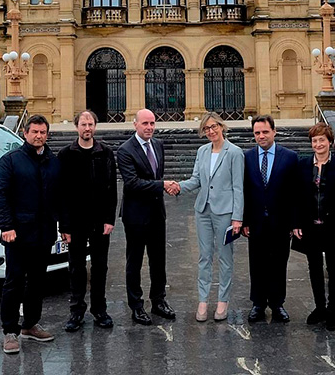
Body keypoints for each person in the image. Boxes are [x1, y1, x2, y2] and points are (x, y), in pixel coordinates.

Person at [0, 114, 60, 351]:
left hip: (44, 233)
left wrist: (64, 227)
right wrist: (6, 226)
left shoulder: (53, 161)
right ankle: (10, 331)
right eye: (35, 132)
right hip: (17, 234)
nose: (39, 136)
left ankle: (30, 324)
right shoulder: (10, 160)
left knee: (38, 282)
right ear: (25, 133)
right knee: (14, 282)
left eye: (43, 132)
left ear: (47, 135)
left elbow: (60, 197)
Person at [169, 112, 245, 322]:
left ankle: (223, 301)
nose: (211, 131)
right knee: (204, 257)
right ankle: (203, 300)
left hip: (225, 212)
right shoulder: (202, 151)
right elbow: (196, 180)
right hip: (203, 210)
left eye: (214, 127)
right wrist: (178, 187)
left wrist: (237, 218)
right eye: (207, 129)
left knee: (225, 257)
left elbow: (238, 188)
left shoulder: (235, 153)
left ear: (222, 127)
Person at [58, 110, 117, 332]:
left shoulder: (106, 153)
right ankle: (76, 311)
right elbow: (61, 193)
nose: (87, 128)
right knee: (76, 268)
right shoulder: (65, 155)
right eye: (83, 124)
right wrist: (64, 225)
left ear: (95, 126)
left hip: (100, 222)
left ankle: (99, 310)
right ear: (76, 127)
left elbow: (112, 189)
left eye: (90, 124)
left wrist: (110, 219)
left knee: (100, 268)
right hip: (75, 223)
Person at [116, 108, 176, 324]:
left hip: (157, 214)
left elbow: (156, 174)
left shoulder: (158, 145)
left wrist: (161, 186)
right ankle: (136, 305)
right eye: (145, 124)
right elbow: (131, 184)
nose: (149, 127)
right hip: (136, 216)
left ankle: (159, 301)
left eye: (152, 123)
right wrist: (162, 185)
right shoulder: (125, 150)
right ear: (135, 125)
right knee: (134, 261)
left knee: (159, 260)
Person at [293, 123, 335, 331]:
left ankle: (332, 311)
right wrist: (296, 223)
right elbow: (298, 197)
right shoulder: (302, 165)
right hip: (310, 227)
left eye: (322, 140)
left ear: (330, 142)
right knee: (314, 268)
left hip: (333, 227)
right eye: (314, 140)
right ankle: (319, 307)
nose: (318, 144)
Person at [242, 114, 298, 323]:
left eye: (265, 132)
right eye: (257, 133)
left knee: (278, 264)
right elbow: (244, 191)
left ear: (274, 132)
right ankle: (258, 304)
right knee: (256, 264)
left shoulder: (290, 157)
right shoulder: (246, 157)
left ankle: (277, 304)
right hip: (255, 222)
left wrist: (294, 223)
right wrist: (245, 220)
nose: (261, 136)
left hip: (280, 222)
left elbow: (295, 193)